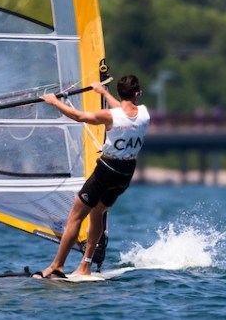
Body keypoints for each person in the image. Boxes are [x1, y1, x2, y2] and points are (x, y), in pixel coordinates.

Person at [35, 75, 150, 278]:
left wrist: (54, 102)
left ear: (119, 93)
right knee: (97, 213)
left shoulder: (109, 116)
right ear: (138, 93)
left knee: (75, 217)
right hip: (126, 174)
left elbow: (79, 117)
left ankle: (56, 266)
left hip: (107, 170)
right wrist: (103, 92)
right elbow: (124, 110)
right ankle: (85, 264)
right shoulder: (144, 114)